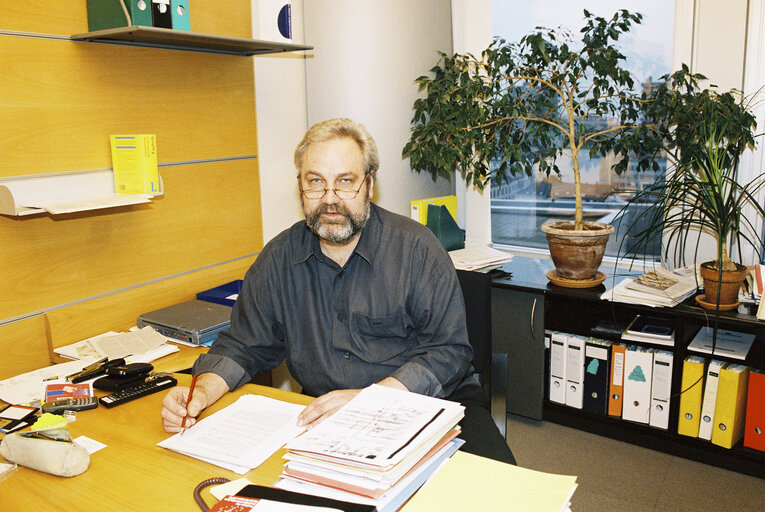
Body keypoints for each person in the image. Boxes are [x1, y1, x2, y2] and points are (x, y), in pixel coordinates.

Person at [161, 118, 515, 465]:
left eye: (345, 182)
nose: (330, 199)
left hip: (425, 405)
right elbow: (243, 345)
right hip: (325, 413)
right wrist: (203, 391)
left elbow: (449, 352)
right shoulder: (278, 258)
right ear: (301, 185)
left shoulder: (416, 249)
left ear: (369, 184)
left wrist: (370, 400)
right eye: (316, 182)